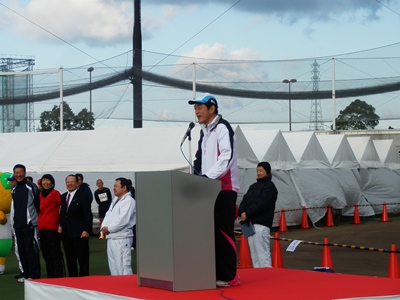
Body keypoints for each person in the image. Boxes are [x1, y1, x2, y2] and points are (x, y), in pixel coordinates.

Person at [188, 94, 240, 287]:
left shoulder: (222, 128)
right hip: (208, 188)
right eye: (195, 108)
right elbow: (199, 159)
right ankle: (215, 272)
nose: (196, 111)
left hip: (224, 188)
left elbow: (226, 156)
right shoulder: (204, 132)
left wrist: (208, 177)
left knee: (223, 232)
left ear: (212, 108)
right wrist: (194, 175)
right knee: (210, 233)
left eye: (200, 107)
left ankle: (230, 276)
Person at [238, 162, 278, 268]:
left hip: (261, 223)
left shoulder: (270, 187)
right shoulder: (253, 186)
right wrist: (241, 212)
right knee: (254, 254)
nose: (258, 173)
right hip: (250, 224)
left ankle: (267, 277)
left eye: (261, 171)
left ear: (267, 171)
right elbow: (244, 200)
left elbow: (262, 203)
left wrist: (247, 212)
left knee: (262, 252)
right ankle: (258, 275)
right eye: (257, 171)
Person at [11, 164, 41, 282]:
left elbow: (37, 205)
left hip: (29, 224)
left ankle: (34, 274)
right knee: (21, 250)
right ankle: (26, 273)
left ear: (25, 173)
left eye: (20, 172)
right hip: (18, 225)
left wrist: (33, 220)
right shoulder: (14, 189)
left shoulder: (31, 187)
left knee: (31, 250)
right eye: (16, 172)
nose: (18, 175)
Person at [100, 177, 136, 275]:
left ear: (124, 188)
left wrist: (109, 228)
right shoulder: (116, 200)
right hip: (111, 237)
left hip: (122, 238)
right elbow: (108, 215)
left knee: (123, 266)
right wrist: (103, 228)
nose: (114, 188)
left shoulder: (129, 201)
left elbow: (123, 220)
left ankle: (128, 289)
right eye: (114, 186)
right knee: (114, 267)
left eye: (116, 186)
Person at [59, 174, 93, 277]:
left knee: (82, 259)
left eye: (72, 182)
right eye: (67, 182)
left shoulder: (83, 196)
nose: (69, 184)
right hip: (66, 233)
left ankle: (84, 280)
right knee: (70, 259)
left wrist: (86, 230)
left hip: (79, 233)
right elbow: (62, 214)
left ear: (77, 183)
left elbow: (87, 214)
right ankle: (72, 280)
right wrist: (60, 225)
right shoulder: (63, 196)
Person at [38, 174, 65, 277]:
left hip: (52, 228)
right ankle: (51, 276)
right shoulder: (40, 195)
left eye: (47, 180)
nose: (45, 182)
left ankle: (59, 276)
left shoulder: (54, 193)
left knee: (55, 253)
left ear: (52, 182)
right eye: (44, 180)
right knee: (46, 254)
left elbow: (63, 206)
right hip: (41, 227)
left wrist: (60, 221)